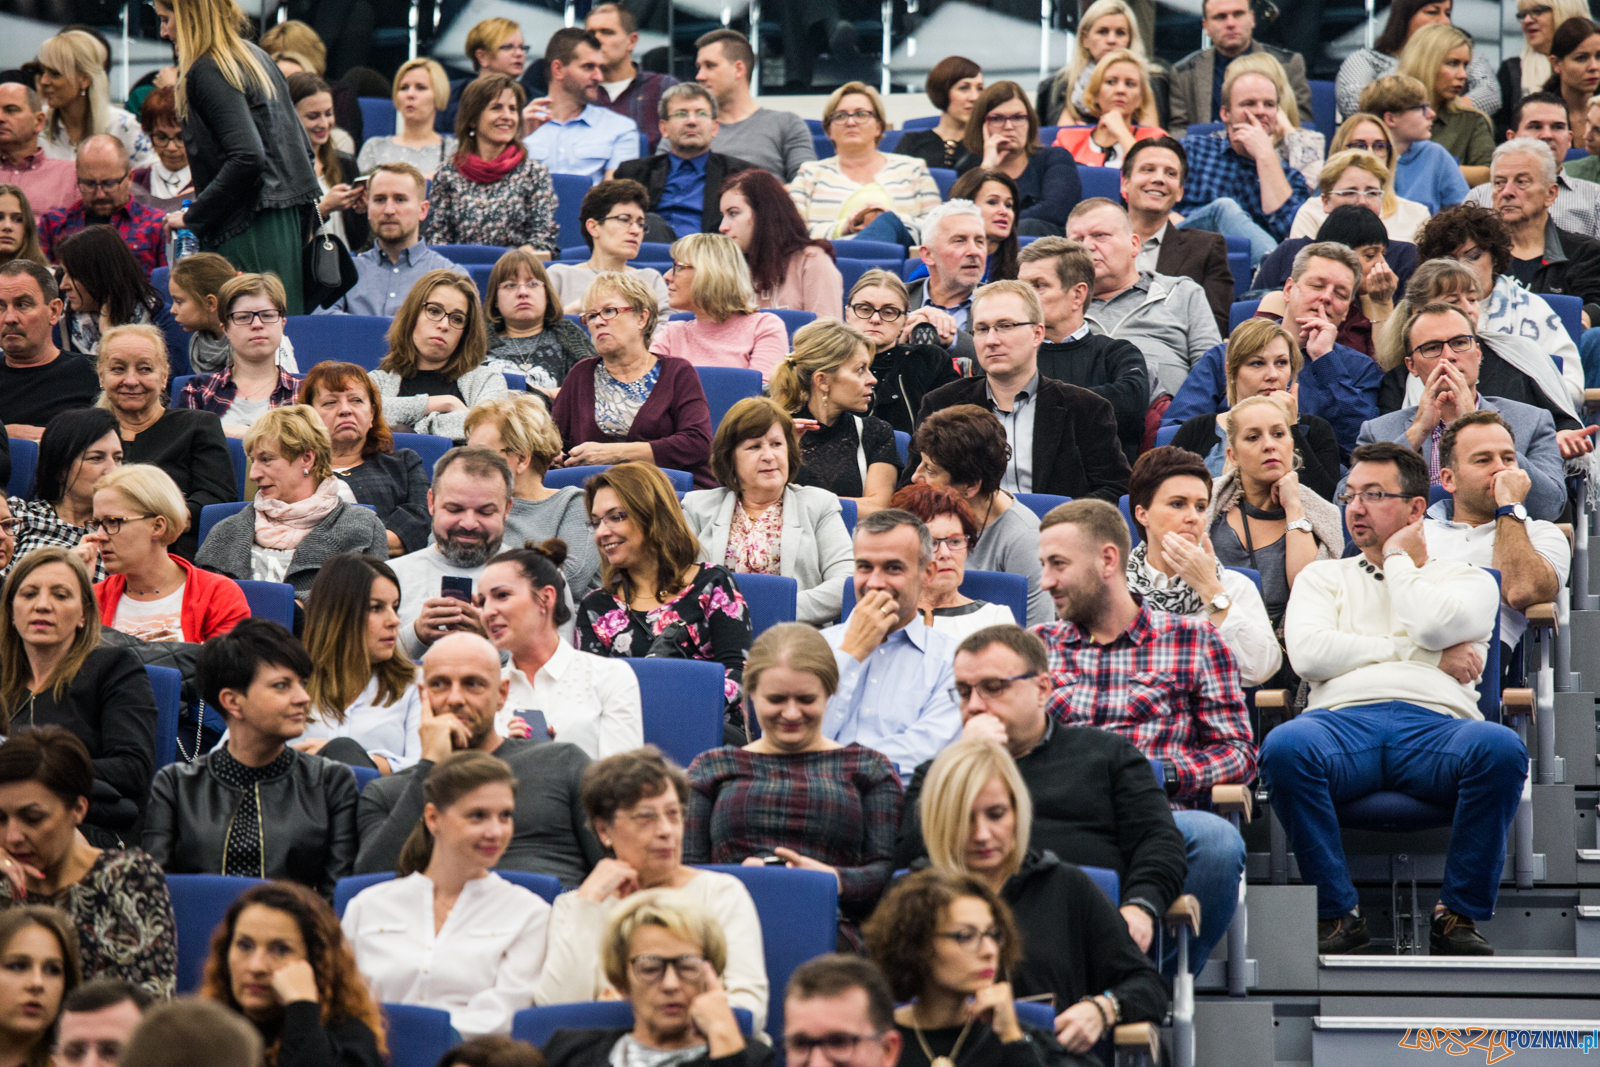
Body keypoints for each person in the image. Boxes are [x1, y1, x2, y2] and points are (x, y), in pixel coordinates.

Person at [1265, 441, 1527, 954]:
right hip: (1340, 726)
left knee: (1500, 749)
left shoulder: (1467, 580)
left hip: (1437, 728)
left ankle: (1457, 915)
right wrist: (1428, 657)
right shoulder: (1323, 575)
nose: (1355, 508)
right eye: (1350, 495)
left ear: (1415, 509)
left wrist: (1399, 561)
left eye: (1374, 494)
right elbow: (1311, 657)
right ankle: (1339, 913)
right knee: (1284, 746)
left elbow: (1430, 619)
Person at [1034, 499, 1254, 972]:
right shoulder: (1038, 649)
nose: (1046, 581)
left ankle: (1152, 982)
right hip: (1063, 820)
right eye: (1043, 566)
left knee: (1216, 841)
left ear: (1107, 561)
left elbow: (1238, 754)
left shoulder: (1193, 640)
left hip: (1161, 818)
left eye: (1058, 565)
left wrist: (1164, 775)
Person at [895, 624, 1190, 968]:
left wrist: (1141, 905)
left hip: (1077, 943)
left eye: (993, 688)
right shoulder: (937, 775)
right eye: (963, 692)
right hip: (960, 949)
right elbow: (907, 863)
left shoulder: (1107, 755)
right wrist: (963, 766)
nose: (974, 706)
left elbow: (1160, 842)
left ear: (1041, 689)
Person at [916, 740, 1166, 1049]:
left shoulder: (1066, 887)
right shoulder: (913, 899)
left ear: (1018, 813)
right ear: (940, 819)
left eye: (996, 815)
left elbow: (1147, 986)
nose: (982, 834)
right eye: (965, 818)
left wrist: (1103, 1008)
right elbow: (874, 1000)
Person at [685, 623, 902, 946]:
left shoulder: (868, 768)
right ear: (752, 695)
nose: (791, 713)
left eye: (806, 699)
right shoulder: (711, 768)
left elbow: (885, 874)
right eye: (776, 699)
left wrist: (829, 880)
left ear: (830, 693)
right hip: (725, 934)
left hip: (834, 933)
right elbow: (685, 872)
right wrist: (737, 879)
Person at [536, 747, 770, 1032]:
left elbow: (749, 1009)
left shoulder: (721, 894)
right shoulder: (578, 906)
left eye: (674, 815)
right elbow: (554, 1015)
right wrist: (587, 904)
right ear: (604, 831)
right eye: (646, 817)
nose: (666, 831)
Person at [355, 630, 604, 885]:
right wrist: (429, 768)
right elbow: (368, 886)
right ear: (422, 695)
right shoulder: (386, 794)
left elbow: (613, 866)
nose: (455, 699)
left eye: (473, 684)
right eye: (439, 684)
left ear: (502, 694)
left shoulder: (562, 763)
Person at [145, 619, 360, 895]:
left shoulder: (331, 783)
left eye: (302, 684)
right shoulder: (177, 785)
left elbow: (336, 902)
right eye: (282, 686)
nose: (303, 697)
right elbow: (154, 897)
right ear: (232, 701)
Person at [343, 751, 549, 1037]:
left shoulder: (529, 913)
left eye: (505, 817)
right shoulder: (367, 906)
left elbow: (502, 1016)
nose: (495, 832)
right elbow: (345, 1002)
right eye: (477, 816)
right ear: (433, 818)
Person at [153, 0, 319, 314]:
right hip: (282, 222)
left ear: (188, 17)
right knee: (280, 338)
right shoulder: (256, 56)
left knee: (251, 338)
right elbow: (301, 153)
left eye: (166, 19)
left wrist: (194, 215)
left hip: (246, 225)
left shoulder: (207, 67)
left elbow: (247, 157)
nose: (163, 32)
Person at [915, 280, 1133, 507]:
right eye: (982, 329)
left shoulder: (1085, 408)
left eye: (1006, 326)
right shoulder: (941, 404)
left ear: (1037, 334)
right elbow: (915, 486)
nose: (991, 340)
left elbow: (1116, 488)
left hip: (1056, 535)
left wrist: (1062, 523)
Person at [0, 547, 159, 847]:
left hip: (88, 829)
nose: (42, 606)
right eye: (29, 594)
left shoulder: (113, 669)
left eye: (60, 595)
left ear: (84, 614)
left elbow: (132, 769)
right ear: (10, 611)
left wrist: (39, 769)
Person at [575, 463, 753, 729]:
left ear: (653, 516)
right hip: (627, 744)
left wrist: (665, 707)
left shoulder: (712, 583)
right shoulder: (595, 607)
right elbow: (589, 698)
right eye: (596, 522)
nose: (601, 532)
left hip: (707, 736)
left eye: (617, 516)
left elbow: (739, 677)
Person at [1352, 301, 1568, 520]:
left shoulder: (1532, 421)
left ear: (1478, 353)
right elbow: (1349, 506)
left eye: (1460, 342)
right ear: (1412, 366)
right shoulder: (1377, 433)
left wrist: (1478, 427)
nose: (1448, 356)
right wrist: (1416, 433)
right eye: (1432, 348)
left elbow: (1550, 507)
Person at [1163, 242, 1382, 454]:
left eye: (1341, 294)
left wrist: (1325, 360)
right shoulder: (1227, 354)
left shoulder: (1361, 370)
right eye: (1317, 285)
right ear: (1288, 290)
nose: (1326, 297)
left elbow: (1362, 448)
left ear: (1346, 311)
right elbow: (1176, 432)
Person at [0, 727, 172, 996]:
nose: (12, 837)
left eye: (33, 818)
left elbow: (146, 1010)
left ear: (79, 809)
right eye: (0, 819)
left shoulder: (127, 879)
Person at [863, 869, 1082, 1067]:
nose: (989, 951)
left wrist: (1012, 1038)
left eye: (993, 934)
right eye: (966, 936)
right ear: (918, 946)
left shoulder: (1019, 1038)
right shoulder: (872, 1041)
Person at [540, 892, 772, 1067]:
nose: (671, 984)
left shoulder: (749, 1058)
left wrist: (723, 1037)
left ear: (709, 974)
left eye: (687, 965)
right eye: (650, 968)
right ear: (622, 981)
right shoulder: (569, 1051)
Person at [1376, 259, 1590, 450]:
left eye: (1472, 298)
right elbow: (1385, 455)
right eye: (1452, 301)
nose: (1468, 309)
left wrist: (1562, 438)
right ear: (1418, 311)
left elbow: (1563, 422)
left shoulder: (1519, 358)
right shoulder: (1398, 381)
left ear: (1478, 353)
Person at [680, 399, 851, 626]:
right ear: (731, 458)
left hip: (795, 637)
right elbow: (674, 582)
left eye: (776, 444)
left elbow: (847, 581)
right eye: (754, 447)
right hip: (714, 637)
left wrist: (778, 609)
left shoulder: (819, 505)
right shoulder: (697, 508)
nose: (769, 456)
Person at [1124, 447, 1281, 686]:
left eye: (1200, 507)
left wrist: (1209, 589)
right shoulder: (1113, 590)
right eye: (1177, 504)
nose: (1193, 517)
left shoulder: (1232, 586)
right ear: (1142, 514)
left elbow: (1258, 670)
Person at [819, 509, 959, 776]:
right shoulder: (817, 647)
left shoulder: (952, 660)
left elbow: (926, 752)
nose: (875, 582)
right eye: (865, 567)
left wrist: (832, 766)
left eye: (893, 568)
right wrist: (850, 653)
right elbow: (791, 734)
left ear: (927, 573)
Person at [194, 405, 390, 596]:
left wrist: (296, 610)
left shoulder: (365, 528)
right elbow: (201, 605)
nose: (253, 474)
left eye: (266, 459)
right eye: (253, 461)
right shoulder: (226, 531)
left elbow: (367, 608)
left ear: (306, 458)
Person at [1428, 410, 1569, 661]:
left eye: (1508, 458)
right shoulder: (1416, 533)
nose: (1500, 469)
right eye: (1483, 460)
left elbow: (1521, 591)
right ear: (1448, 479)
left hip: (1473, 666)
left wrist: (1509, 506)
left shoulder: (1542, 534)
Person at [478, 540, 641, 756]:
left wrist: (559, 763)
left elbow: (623, 781)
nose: (488, 611)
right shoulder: (483, 690)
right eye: (482, 602)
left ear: (546, 597)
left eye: (502, 595)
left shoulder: (609, 677)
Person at [552, 273, 715, 488]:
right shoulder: (580, 374)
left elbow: (697, 443)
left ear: (642, 318)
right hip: (594, 499)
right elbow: (553, 442)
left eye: (609, 311)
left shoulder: (677, 372)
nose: (598, 322)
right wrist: (553, 456)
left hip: (667, 496)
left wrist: (613, 454)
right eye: (591, 316)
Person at [197, 881, 386, 1066]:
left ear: (317, 961)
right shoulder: (202, 1031)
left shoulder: (350, 1039)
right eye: (244, 946)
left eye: (281, 950)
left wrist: (301, 1008)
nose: (256, 966)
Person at [1413, 203, 1585, 404]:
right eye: (1449, 261)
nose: (1460, 268)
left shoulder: (1533, 310)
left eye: (1473, 257)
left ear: (1494, 257)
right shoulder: (1422, 318)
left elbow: (1572, 388)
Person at [88, 325, 227, 560]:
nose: (131, 380)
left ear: (164, 377)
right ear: (102, 376)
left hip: (174, 555)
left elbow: (214, 503)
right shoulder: (85, 432)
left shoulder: (199, 426)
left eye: (144, 369)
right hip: (96, 549)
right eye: (118, 369)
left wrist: (143, 529)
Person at [903, 404, 1050, 625]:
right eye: (920, 464)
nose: (916, 477)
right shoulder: (921, 513)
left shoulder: (1023, 539)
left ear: (970, 486)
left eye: (930, 470)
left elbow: (1037, 635)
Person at [1068, 198, 1221, 402]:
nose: (1087, 246)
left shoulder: (1183, 292)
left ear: (1134, 245)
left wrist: (1180, 424)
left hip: (1170, 421)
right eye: (1077, 240)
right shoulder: (1060, 305)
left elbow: (1211, 372)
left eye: (1100, 236)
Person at [1168, 318, 1341, 497]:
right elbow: (1166, 498)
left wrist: (1291, 428)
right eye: (1257, 363)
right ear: (1231, 372)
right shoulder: (1197, 430)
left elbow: (1326, 505)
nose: (1273, 375)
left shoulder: (1316, 430)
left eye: (1281, 362)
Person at [1015, 238, 1149, 462]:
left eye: (1038, 285)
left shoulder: (1117, 353)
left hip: (1099, 485)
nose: (1022, 297)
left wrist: (1037, 403)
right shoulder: (1010, 353)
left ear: (1077, 295)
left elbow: (1130, 404)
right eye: (1020, 287)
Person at [87, 463, 248, 643]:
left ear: (158, 526)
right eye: (96, 524)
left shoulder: (217, 595)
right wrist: (78, 588)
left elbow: (226, 670)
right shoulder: (94, 598)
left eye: (113, 522)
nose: (99, 536)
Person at [1177, 62, 1313, 265]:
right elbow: (1150, 197)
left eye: (1269, 105)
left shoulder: (1290, 177)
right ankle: (1274, 271)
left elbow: (1293, 234)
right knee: (1224, 209)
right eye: (1249, 104)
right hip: (1188, 255)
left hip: (1248, 273)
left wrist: (1265, 155)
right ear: (1225, 114)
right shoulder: (1192, 149)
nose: (1260, 112)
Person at [299, 554, 421, 774]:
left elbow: (424, 769)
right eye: (376, 608)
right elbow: (235, 757)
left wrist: (347, 760)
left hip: (379, 804)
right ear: (338, 614)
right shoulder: (288, 681)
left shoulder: (415, 684)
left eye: (395, 607)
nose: (394, 620)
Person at [465, 397, 600, 595]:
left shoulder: (575, 505)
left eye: (481, 454)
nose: (468, 465)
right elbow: (438, 561)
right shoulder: (465, 507)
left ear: (521, 459)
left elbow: (568, 580)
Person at [388, 446, 513, 661]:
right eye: (454, 509)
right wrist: (416, 634)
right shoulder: (390, 576)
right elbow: (364, 667)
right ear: (431, 502)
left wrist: (491, 639)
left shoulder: (537, 577)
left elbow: (555, 670)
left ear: (507, 510)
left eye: (485, 512)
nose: (469, 523)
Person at [300, 362, 430, 558]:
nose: (345, 410)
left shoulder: (403, 465)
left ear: (372, 414)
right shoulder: (291, 470)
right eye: (330, 402)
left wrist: (337, 546)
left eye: (356, 400)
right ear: (309, 416)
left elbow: (418, 526)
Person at [771, 319, 900, 513]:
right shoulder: (773, 432)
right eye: (860, 370)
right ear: (823, 381)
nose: (872, 379)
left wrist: (804, 499)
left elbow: (877, 508)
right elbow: (757, 503)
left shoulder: (875, 433)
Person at [424, 74, 560, 258]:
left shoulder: (534, 173)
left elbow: (543, 240)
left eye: (512, 109)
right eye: (496, 108)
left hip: (516, 276)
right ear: (473, 119)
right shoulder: (448, 174)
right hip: (459, 277)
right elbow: (437, 241)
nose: (507, 116)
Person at [788, 82, 941, 245]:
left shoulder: (913, 169)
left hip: (895, 257)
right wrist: (844, 227)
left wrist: (889, 219)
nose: (851, 122)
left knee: (885, 223)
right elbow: (790, 232)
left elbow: (937, 228)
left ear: (878, 127)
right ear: (829, 131)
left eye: (861, 114)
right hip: (831, 257)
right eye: (840, 116)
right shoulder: (809, 174)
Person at [371, 270, 507, 443]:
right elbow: (362, 414)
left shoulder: (487, 380)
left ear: (466, 333)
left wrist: (410, 431)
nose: (444, 325)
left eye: (457, 319)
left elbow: (484, 428)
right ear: (412, 315)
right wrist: (441, 403)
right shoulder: (377, 382)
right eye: (434, 311)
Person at [1118, 137, 1234, 337]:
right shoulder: (1093, 244)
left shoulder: (1206, 249)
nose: (1159, 179)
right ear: (1125, 182)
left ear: (1180, 192)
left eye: (1170, 173)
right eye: (1148, 169)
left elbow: (1213, 327)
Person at [318, 164, 464, 319]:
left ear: (423, 210)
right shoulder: (343, 272)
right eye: (379, 200)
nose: (388, 210)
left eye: (400, 200)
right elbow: (325, 326)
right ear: (368, 209)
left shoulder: (452, 276)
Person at [617, 83, 754, 242]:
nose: (692, 121)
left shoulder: (740, 174)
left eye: (701, 113)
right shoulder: (632, 173)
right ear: (664, 128)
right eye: (681, 114)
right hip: (648, 254)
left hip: (711, 257)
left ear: (714, 127)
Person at [175, 272, 304, 437]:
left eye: (267, 316)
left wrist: (240, 433)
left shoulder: (307, 391)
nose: (257, 324)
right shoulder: (198, 390)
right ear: (225, 329)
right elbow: (185, 451)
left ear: (282, 324)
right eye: (243, 317)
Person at [1478, 139, 1600, 308]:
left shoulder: (1584, 254)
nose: (1506, 192)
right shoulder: (1474, 253)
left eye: (1521, 182)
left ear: (1550, 194)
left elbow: (1595, 308)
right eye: (1499, 182)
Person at [1167, 0, 1313, 138]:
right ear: (1206, 26)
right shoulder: (1184, 73)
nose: (1230, 23)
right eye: (1220, 17)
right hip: (1207, 158)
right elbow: (1179, 131)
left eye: (1238, 14)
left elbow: (1301, 126)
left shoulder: (1288, 65)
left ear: (1252, 18)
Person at [682, 30, 813, 182]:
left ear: (739, 69)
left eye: (710, 66)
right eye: (699, 68)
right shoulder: (685, 125)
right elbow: (658, 183)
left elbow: (807, 187)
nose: (700, 76)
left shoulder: (786, 124)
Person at [1464, 91, 1600, 238]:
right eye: (1535, 126)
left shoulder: (1594, 197)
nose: (1547, 135)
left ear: (1569, 139)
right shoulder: (1479, 197)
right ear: (1512, 138)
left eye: (1557, 127)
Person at [888, 484, 1016, 640]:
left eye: (955, 542)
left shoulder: (994, 620)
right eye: (931, 543)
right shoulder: (883, 619)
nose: (945, 553)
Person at [843, 270, 960, 439]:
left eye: (888, 312)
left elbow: (953, 426)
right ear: (847, 314)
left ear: (905, 321)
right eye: (865, 309)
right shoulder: (829, 363)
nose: (875, 319)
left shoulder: (929, 361)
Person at [8, 410, 121, 582]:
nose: (113, 470)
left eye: (118, 458)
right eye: (96, 458)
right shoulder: (17, 516)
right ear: (60, 469)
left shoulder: (122, 531)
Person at [1336, 0, 1500, 119]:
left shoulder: (1461, 55)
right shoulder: (1367, 59)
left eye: (1448, 14)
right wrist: (1413, 115)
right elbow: (1353, 105)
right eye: (1432, 12)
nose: (1444, 21)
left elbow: (1491, 94)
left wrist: (1442, 111)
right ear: (1405, 17)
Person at [654, 235, 786, 382]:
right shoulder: (671, 333)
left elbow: (759, 400)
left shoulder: (763, 327)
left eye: (678, 267)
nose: (666, 276)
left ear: (710, 273)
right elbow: (647, 395)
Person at [955, 82, 1082, 235]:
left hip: (1045, 246)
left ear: (1030, 122)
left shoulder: (1054, 158)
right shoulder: (971, 166)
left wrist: (998, 222)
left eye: (1018, 117)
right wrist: (988, 167)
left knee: (1028, 227)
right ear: (981, 125)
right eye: (997, 118)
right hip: (986, 247)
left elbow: (1058, 210)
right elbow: (960, 217)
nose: (1009, 126)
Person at [717, 168, 842, 320]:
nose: (722, 227)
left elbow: (827, 335)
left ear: (763, 213)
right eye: (723, 215)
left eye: (733, 213)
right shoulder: (727, 267)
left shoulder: (811, 261)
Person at [521, 29, 639, 186]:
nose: (599, 77)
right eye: (588, 67)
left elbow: (617, 197)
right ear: (558, 69)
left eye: (600, 68)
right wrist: (515, 138)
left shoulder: (620, 128)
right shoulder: (518, 125)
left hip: (593, 210)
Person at [36, 139, 163, 277]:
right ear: (77, 179)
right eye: (89, 184)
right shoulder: (54, 223)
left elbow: (169, 287)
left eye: (109, 184)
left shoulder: (156, 224)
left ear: (130, 178)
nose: (100, 194)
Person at [547, 180, 671, 316]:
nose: (636, 230)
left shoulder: (649, 279)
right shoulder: (560, 276)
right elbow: (537, 331)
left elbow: (667, 330)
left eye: (641, 224)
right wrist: (577, 308)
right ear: (593, 227)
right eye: (624, 220)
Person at [481, 250, 595, 396]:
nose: (523, 292)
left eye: (533, 284)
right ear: (495, 299)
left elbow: (593, 388)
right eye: (510, 285)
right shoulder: (478, 343)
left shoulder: (569, 337)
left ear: (546, 294)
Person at [53, 228, 174, 359]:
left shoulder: (163, 321)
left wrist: (110, 335)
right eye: (64, 273)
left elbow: (165, 378)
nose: (63, 285)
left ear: (101, 277)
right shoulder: (65, 324)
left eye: (73, 276)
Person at [166, 254, 296, 376]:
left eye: (179, 301)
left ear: (210, 303)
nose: (172, 310)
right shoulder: (199, 344)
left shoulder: (261, 340)